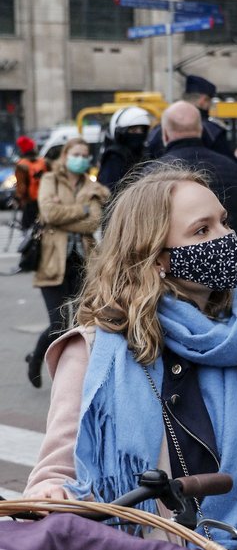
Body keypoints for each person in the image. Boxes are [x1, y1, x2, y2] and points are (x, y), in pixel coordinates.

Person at [24, 166, 237, 550]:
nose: (225, 238)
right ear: (156, 256)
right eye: (202, 230)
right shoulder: (94, 352)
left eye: (224, 223)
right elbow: (55, 472)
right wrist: (51, 490)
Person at [25, 137, 110, 388]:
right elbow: (49, 212)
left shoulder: (92, 186)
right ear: (65, 156)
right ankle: (36, 359)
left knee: (81, 323)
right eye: (76, 154)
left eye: (85, 154)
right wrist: (81, 209)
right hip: (52, 261)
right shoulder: (50, 179)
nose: (81, 158)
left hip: (82, 263)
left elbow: (93, 222)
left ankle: (70, 374)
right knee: (58, 323)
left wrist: (68, 214)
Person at [156, 101, 237, 263]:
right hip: (235, 265)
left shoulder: (152, 175)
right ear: (201, 130)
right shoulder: (232, 168)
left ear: (165, 134)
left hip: (176, 275)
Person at [145, 74, 234, 161]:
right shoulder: (212, 131)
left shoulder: (156, 131)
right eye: (210, 102)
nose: (210, 106)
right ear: (203, 100)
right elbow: (230, 165)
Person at [97, 106, 153, 191]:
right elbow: (109, 190)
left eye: (142, 130)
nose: (139, 133)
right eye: (133, 130)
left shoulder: (145, 154)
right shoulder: (114, 157)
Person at [13, 135, 47, 231]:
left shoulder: (21, 165)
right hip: (44, 200)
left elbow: (21, 188)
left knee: (27, 230)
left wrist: (17, 198)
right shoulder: (43, 162)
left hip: (30, 203)